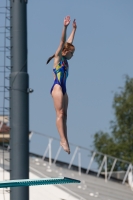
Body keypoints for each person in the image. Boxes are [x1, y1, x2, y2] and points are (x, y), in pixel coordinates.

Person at [46, 16, 77, 154]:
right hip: (57, 87)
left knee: (65, 115)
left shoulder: (65, 56)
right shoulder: (58, 56)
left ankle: (66, 138)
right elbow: (63, 42)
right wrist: (64, 27)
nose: (73, 55)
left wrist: (74, 30)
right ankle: (62, 139)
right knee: (60, 113)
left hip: (64, 89)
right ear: (65, 52)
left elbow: (68, 42)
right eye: (72, 53)